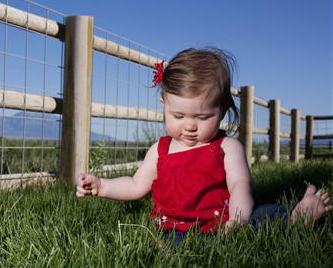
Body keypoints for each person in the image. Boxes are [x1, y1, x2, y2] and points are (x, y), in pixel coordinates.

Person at [76, 47, 332, 247]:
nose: (189, 126)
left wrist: (237, 219)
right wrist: (103, 186)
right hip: (174, 227)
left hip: (225, 218)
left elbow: (240, 186)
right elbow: (135, 185)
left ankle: (298, 214)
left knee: (262, 215)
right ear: (164, 104)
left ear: (222, 111)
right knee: (178, 245)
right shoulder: (160, 150)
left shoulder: (227, 147)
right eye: (178, 116)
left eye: (202, 117)